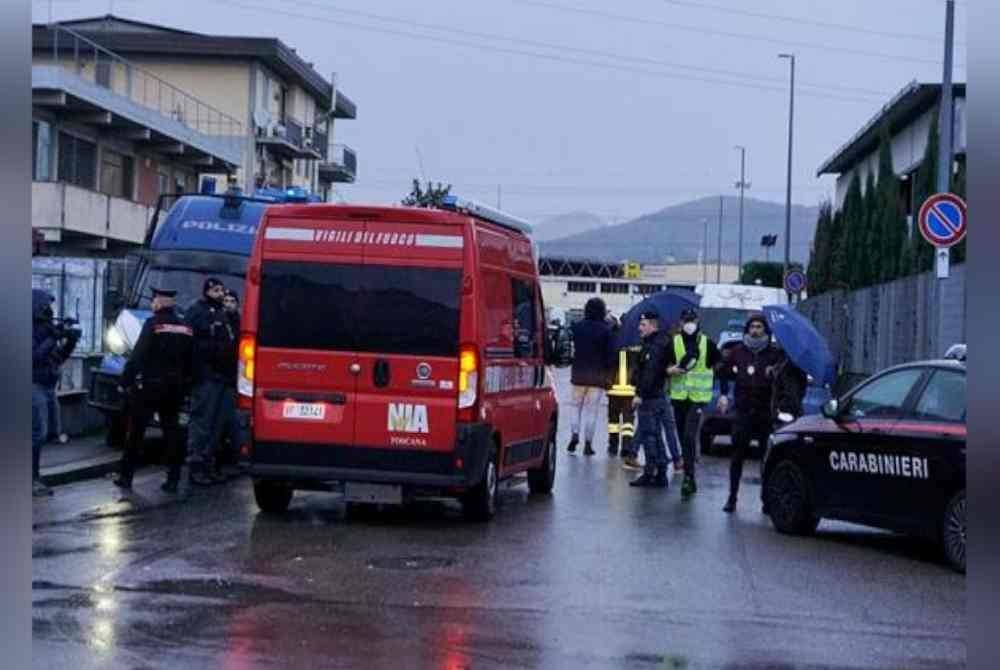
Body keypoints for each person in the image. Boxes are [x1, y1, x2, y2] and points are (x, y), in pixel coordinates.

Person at [112, 288, 193, 493]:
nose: (152, 303)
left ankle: (126, 476)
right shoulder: (185, 327)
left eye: (154, 300)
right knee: (171, 432)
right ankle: (173, 478)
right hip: (175, 388)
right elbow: (192, 360)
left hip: (150, 386)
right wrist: (187, 386)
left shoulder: (152, 325)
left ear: (160, 302)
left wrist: (124, 381)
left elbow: (138, 356)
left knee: (136, 431)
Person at [716, 313, 785, 513]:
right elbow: (723, 372)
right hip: (743, 411)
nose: (755, 330)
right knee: (737, 456)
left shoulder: (774, 354)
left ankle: (766, 500)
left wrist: (775, 373)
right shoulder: (738, 351)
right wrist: (723, 395)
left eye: (759, 327)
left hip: (765, 411)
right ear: (747, 330)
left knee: (766, 457)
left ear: (765, 331)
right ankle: (732, 498)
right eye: (752, 327)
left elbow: (784, 379)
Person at [666, 308, 726, 498]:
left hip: (697, 400)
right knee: (683, 436)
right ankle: (688, 472)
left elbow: (721, 367)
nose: (689, 323)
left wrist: (724, 394)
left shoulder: (707, 343)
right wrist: (670, 370)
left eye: (692, 320)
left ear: (698, 321)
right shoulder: (674, 342)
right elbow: (663, 365)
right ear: (681, 322)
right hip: (679, 398)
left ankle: (689, 478)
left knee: (689, 436)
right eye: (686, 320)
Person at [185, 278, 238, 486]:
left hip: (224, 377)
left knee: (218, 425)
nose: (220, 294)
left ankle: (209, 464)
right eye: (216, 290)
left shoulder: (224, 315)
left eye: (222, 290)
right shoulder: (197, 312)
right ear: (207, 291)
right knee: (202, 423)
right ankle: (196, 466)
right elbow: (191, 344)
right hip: (206, 376)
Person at [32, 290, 81, 497]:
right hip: (32, 384)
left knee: (52, 431)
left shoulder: (46, 328)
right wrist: (54, 336)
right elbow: (33, 357)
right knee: (37, 433)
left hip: (48, 385)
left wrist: (70, 341)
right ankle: (31, 479)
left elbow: (57, 358)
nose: (49, 310)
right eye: (46, 306)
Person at [628, 309, 671, 488]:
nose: (640, 328)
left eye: (643, 325)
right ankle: (660, 472)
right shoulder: (656, 342)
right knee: (655, 434)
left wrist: (639, 394)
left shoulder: (654, 346)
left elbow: (650, 373)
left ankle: (651, 472)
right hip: (656, 395)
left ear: (653, 326)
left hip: (650, 397)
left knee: (649, 436)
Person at [567, 297, 613, 456]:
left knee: (575, 407)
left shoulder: (577, 327)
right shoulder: (606, 330)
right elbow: (609, 356)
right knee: (591, 411)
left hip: (578, 375)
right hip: (597, 377)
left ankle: (574, 434)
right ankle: (588, 444)